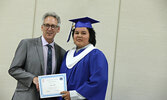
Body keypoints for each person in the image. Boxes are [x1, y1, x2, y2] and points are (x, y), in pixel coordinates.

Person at [8, 12, 66, 100]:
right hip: (27, 96)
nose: (49, 29)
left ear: (58, 29)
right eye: (47, 25)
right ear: (42, 27)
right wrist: (33, 78)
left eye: (53, 26)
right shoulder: (27, 44)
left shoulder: (61, 52)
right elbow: (14, 69)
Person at [59, 17, 108, 100]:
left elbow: (98, 82)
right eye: (76, 33)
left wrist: (73, 95)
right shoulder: (68, 54)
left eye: (84, 33)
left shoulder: (96, 55)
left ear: (90, 36)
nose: (79, 36)